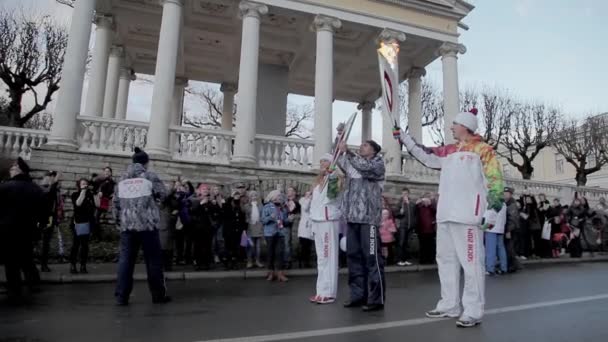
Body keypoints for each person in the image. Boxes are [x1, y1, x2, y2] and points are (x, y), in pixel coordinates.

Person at [394, 107, 504, 327]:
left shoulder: (483, 150)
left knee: (471, 264)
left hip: (468, 217)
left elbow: (496, 181)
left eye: (454, 123)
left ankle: (473, 311)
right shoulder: (449, 151)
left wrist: (492, 209)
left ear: (465, 126)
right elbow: (425, 154)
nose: (451, 127)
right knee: (445, 261)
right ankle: (449, 304)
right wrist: (404, 137)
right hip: (445, 215)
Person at [114, 147, 170, 305]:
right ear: (146, 163)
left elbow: (115, 203)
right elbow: (163, 194)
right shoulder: (150, 176)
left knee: (125, 261)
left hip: (127, 226)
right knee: (153, 261)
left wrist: (120, 221)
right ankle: (158, 296)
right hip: (147, 226)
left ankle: (121, 296)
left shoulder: (122, 178)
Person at [336, 139, 386, 313]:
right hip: (352, 219)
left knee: (372, 259)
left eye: (365, 145)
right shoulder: (353, 165)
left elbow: (366, 168)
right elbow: (337, 156)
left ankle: (376, 298)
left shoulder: (378, 164)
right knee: (354, 259)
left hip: (369, 220)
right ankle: (358, 295)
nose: (361, 147)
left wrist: (349, 152)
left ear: (373, 150)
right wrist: (339, 138)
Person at [0, 158, 45, 302]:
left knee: (11, 261)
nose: (11, 170)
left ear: (20, 170)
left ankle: (15, 289)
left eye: (13, 168)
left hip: (8, 231)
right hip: (28, 231)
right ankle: (34, 283)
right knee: (27, 258)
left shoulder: (6, 187)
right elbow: (43, 213)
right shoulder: (36, 189)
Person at [309, 154, 343, 304]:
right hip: (317, 221)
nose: (322, 164)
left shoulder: (335, 179)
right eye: (321, 161)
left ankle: (329, 293)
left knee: (329, 258)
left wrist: (333, 175)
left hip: (328, 220)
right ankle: (320, 291)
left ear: (331, 164)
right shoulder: (317, 183)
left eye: (325, 162)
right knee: (321, 258)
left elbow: (333, 196)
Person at [70, 178, 99, 274]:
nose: (85, 185)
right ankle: (73, 265)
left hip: (88, 223)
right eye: (82, 184)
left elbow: (98, 205)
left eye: (86, 183)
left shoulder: (90, 195)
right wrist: (83, 191)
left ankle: (83, 265)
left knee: (85, 246)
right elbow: (78, 204)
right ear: (79, 185)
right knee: (76, 245)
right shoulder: (75, 195)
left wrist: (95, 193)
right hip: (78, 223)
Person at [190, 184, 219, 271]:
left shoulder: (210, 201)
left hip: (208, 228)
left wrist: (215, 204)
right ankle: (198, 263)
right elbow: (192, 212)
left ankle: (206, 263)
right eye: (203, 189)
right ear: (199, 190)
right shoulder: (195, 200)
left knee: (207, 246)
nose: (205, 191)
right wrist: (200, 204)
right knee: (198, 246)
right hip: (198, 227)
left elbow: (216, 213)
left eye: (207, 189)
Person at [40, 171, 64, 272]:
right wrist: (55, 182)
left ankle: (44, 264)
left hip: (51, 218)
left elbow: (58, 206)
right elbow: (49, 196)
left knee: (46, 242)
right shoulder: (44, 188)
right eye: (50, 177)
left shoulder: (56, 189)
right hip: (43, 218)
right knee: (42, 241)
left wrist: (58, 218)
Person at [262, 190, 289, 282]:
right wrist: (270, 217)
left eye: (280, 196)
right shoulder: (266, 207)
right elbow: (263, 220)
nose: (279, 198)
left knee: (280, 253)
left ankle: (280, 274)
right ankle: (271, 273)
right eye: (277, 196)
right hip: (270, 233)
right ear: (272, 197)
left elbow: (284, 222)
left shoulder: (283, 208)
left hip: (280, 233)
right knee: (270, 253)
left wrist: (289, 219)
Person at [159, 182, 181, 271]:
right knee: (163, 247)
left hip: (171, 225)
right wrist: (174, 188)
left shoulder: (173, 198)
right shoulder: (163, 198)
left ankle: (168, 266)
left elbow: (176, 205)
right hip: (163, 225)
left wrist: (175, 213)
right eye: (167, 187)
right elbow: (166, 198)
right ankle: (163, 265)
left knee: (170, 247)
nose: (168, 189)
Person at [223, 189, 247, 270]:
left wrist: (243, 229)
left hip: (238, 230)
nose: (237, 196)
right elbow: (225, 211)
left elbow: (243, 218)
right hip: (229, 230)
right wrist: (231, 197)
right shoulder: (228, 204)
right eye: (235, 195)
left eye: (238, 195)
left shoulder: (241, 205)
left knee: (236, 248)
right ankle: (227, 263)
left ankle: (234, 262)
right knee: (228, 247)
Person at [395, 188, 417, 266]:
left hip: (410, 226)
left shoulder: (411, 203)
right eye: (403, 194)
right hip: (403, 225)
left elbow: (414, 211)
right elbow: (396, 213)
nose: (405, 195)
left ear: (408, 194)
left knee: (407, 243)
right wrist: (400, 212)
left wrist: (408, 203)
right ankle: (400, 260)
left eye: (406, 193)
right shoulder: (400, 203)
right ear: (402, 194)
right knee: (401, 242)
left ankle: (405, 259)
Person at [92, 167, 115, 240]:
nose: (107, 172)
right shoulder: (99, 180)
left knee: (96, 217)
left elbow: (111, 192)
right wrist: (98, 192)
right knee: (94, 218)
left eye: (108, 171)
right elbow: (94, 189)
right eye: (105, 171)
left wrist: (104, 194)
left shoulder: (112, 182)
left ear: (111, 173)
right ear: (104, 172)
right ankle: (95, 234)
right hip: (96, 200)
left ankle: (97, 236)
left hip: (104, 201)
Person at [485, 203, 508, 275]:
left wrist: (484, 226)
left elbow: (487, 216)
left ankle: (490, 269)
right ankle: (503, 268)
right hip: (500, 228)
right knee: (501, 248)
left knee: (490, 249)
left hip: (491, 228)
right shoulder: (503, 204)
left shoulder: (491, 203)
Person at [244, 190, 264, 269]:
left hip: (258, 227)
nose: (254, 197)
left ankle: (257, 261)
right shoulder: (246, 206)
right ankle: (249, 261)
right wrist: (248, 220)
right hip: (250, 227)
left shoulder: (260, 205)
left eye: (255, 195)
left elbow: (262, 215)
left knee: (258, 247)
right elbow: (245, 216)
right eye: (252, 196)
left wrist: (260, 222)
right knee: (250, 246)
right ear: (249, 197)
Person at [503, 188, 521, 272]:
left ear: (510, 194)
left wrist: (508, 230)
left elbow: (512, 219)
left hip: (511, 230)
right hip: (507, 229)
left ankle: (512, 266)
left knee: (510, 248)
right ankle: (511, 265)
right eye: (504, 193)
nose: (505, 194)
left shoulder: (512, 204)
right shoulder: (505, 203)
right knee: (508, 248)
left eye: (507, 193)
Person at [416, 194, 437, 265]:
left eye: (427, 200)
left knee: (430, 246)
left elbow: (435, 211)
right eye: (424, 200)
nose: (426, 202)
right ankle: (423, 260)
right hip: (421, 230)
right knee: (422, 246)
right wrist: (418, 203)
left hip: (430, 230)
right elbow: (414, 211)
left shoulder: (432, 207)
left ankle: (430, 259)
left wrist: (430, 204)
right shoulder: (420, 207)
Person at [283, 186, 301, 269]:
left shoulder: (297, 202)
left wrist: (294, 216)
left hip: (295, 225)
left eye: (291, 191)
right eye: (288, 191)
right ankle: (288, 261)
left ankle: (296, 260)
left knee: (295, 243)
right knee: (286, 243)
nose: (289, 192)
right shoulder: (284, 202)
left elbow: (298, 213)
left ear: (294, 192)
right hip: (286, 224)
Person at [297, 191, 314, 269]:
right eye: (307, 194)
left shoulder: (313, 201)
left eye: (310, 194)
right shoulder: (303, 201)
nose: (309, 195)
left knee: (309, 246)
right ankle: (302, 262)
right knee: (303, 246)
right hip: (304, 227)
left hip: (311, 227)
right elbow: (305, 208)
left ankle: (307, 261)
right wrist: (308, 199)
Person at [210, 185, 226, 264]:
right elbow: (209, 212)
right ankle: (214, 255)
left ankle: (221, 255)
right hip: (212, 223)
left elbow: (223, 212)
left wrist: (223, 205)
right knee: (213, 241)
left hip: (220, 222)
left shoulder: (222, 199)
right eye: (214, 189)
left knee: (220, 240)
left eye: (217, 189)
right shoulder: (210, 199)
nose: (216, 191)